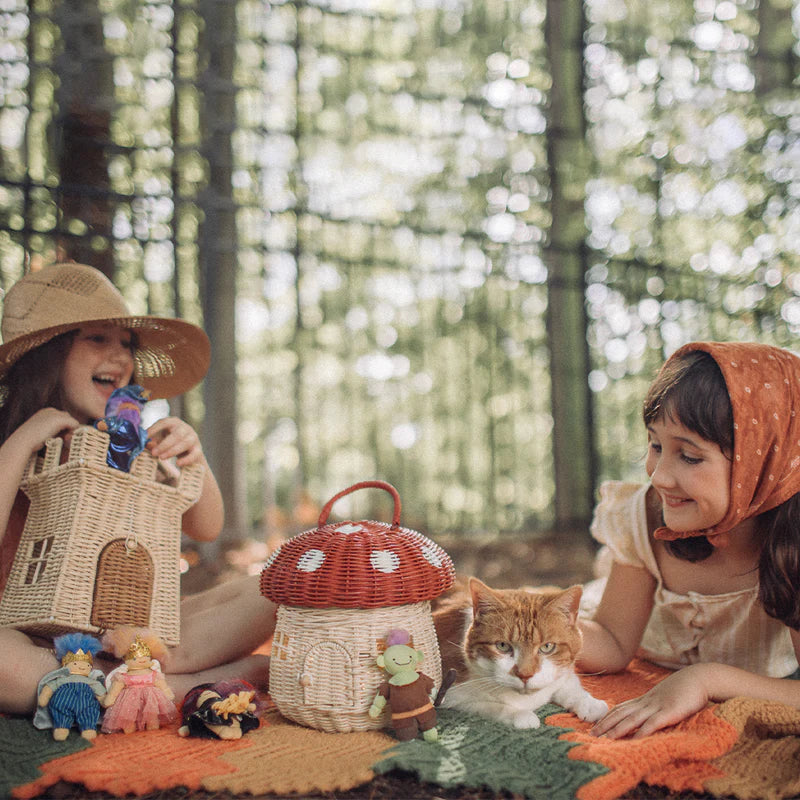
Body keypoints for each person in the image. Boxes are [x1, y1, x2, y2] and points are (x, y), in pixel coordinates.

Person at [0, 261, 276, 715]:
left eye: (126, 343)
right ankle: (187, 682)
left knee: (274, 587)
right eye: (97, 338)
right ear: (47, 352)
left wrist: (194, 457)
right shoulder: (12, 438)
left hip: (128, 633)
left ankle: (156, 671)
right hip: (34, 642)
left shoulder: (120, 442)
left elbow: (207, 527)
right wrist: (31, 434)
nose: (120, 355)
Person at [578, 341, 800, 739]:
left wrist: (704, 680)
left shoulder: (793, 545)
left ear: (764, 460)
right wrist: (530, 632)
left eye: (690, 456)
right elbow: (612, 641)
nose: (659, 476)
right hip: (634, 633)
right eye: (656, 446)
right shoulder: (644, 516)